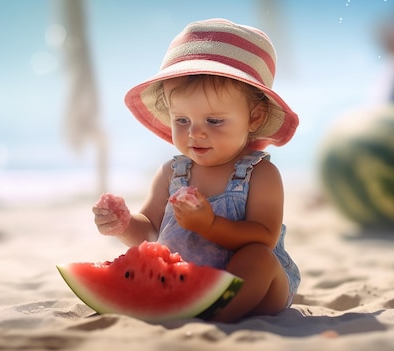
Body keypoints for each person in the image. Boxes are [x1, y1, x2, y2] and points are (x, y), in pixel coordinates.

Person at [92, 18, 301, 323]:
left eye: (214, 121)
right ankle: (190, 305)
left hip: (260, 290)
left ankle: (217, 314)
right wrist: (124, 225)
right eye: (182, 121)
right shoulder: (171, 173)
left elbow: (264, 237)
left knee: (259, 258)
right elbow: (149, 233)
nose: (195, 134)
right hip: (181, 281)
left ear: (254, 118)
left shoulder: (260, 175)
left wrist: (209, 224)